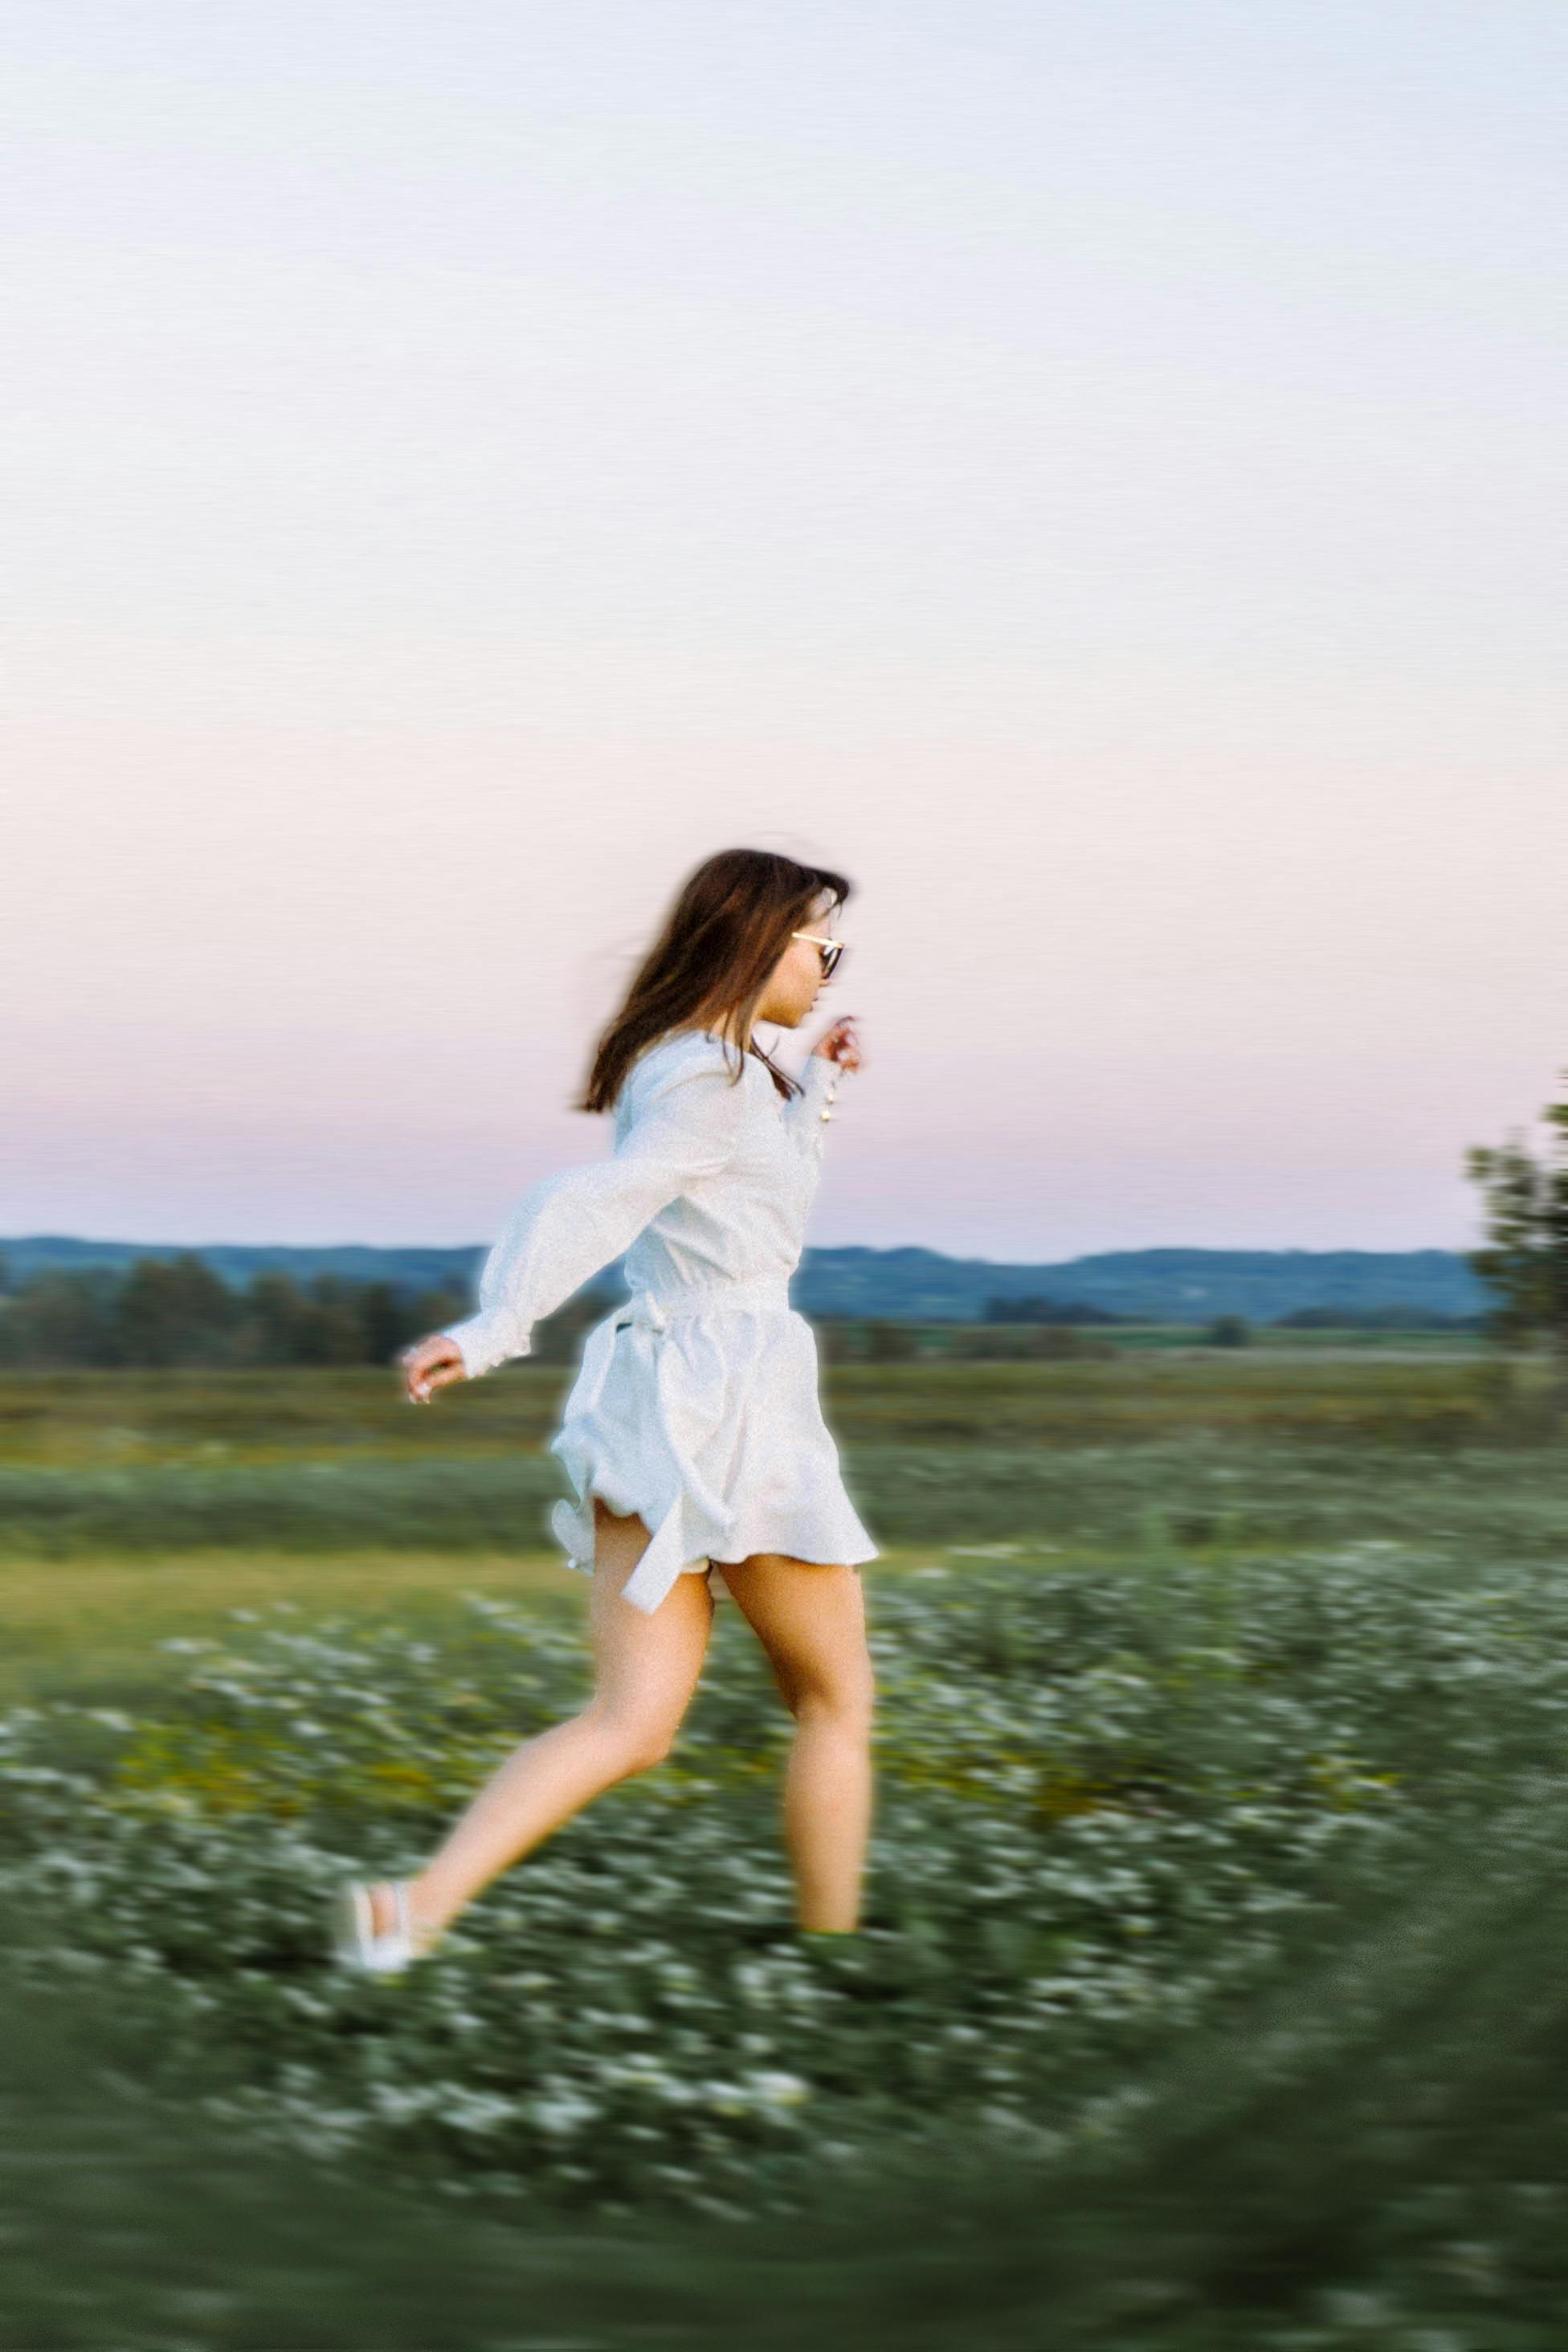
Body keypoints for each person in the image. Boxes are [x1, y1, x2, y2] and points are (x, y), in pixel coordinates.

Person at [329, 847, 880, 1973]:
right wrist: (492, 1329)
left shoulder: (708, 1069)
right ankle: (837, 1971)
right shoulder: (712, 1079)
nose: (830, 967)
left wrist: (815, 1087)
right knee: (834, 1703)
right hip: (737, 1402)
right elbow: (597, 1202)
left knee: (630, 1725)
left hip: (657, 1404)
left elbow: (744, 1209)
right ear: (757, 938)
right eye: (821, 944)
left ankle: (411, 1913)